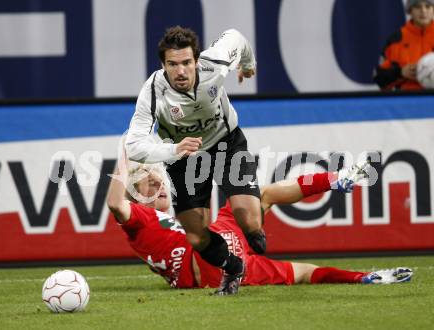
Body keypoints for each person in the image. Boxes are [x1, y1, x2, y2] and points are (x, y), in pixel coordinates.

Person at [106, 157, 413, 294]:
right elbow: (115, 204)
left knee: (262, 198)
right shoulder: (137, 218)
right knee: (260, 197)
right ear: (133, 195)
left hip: (225, 254)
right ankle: (334, 180)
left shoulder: (158, 222)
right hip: (208, 260)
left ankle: (365, 278)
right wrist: (124, 157)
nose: (158, 185)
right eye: (149, 184)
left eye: (159, 181)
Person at [125, 26, 264, 294]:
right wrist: (174, 150)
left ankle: (252, 233)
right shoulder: (154, 91)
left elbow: (237, 37)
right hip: (184, 158)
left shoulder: (215, 64)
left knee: (250, 223)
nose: (180, 71)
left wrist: (248, 65)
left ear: (197, 61)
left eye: (187, 62)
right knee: (196, 237)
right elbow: (134, 145)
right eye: (172, 64)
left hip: (226, 143)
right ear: (163, 65)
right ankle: (233, 267)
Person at [374, 0, 434, 90]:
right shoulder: (396, 39)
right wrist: (400, 72)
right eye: (417, 7)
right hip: (407, 100)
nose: (423, 11)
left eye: (428, 6)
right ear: (410, 11)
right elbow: (379, 77)